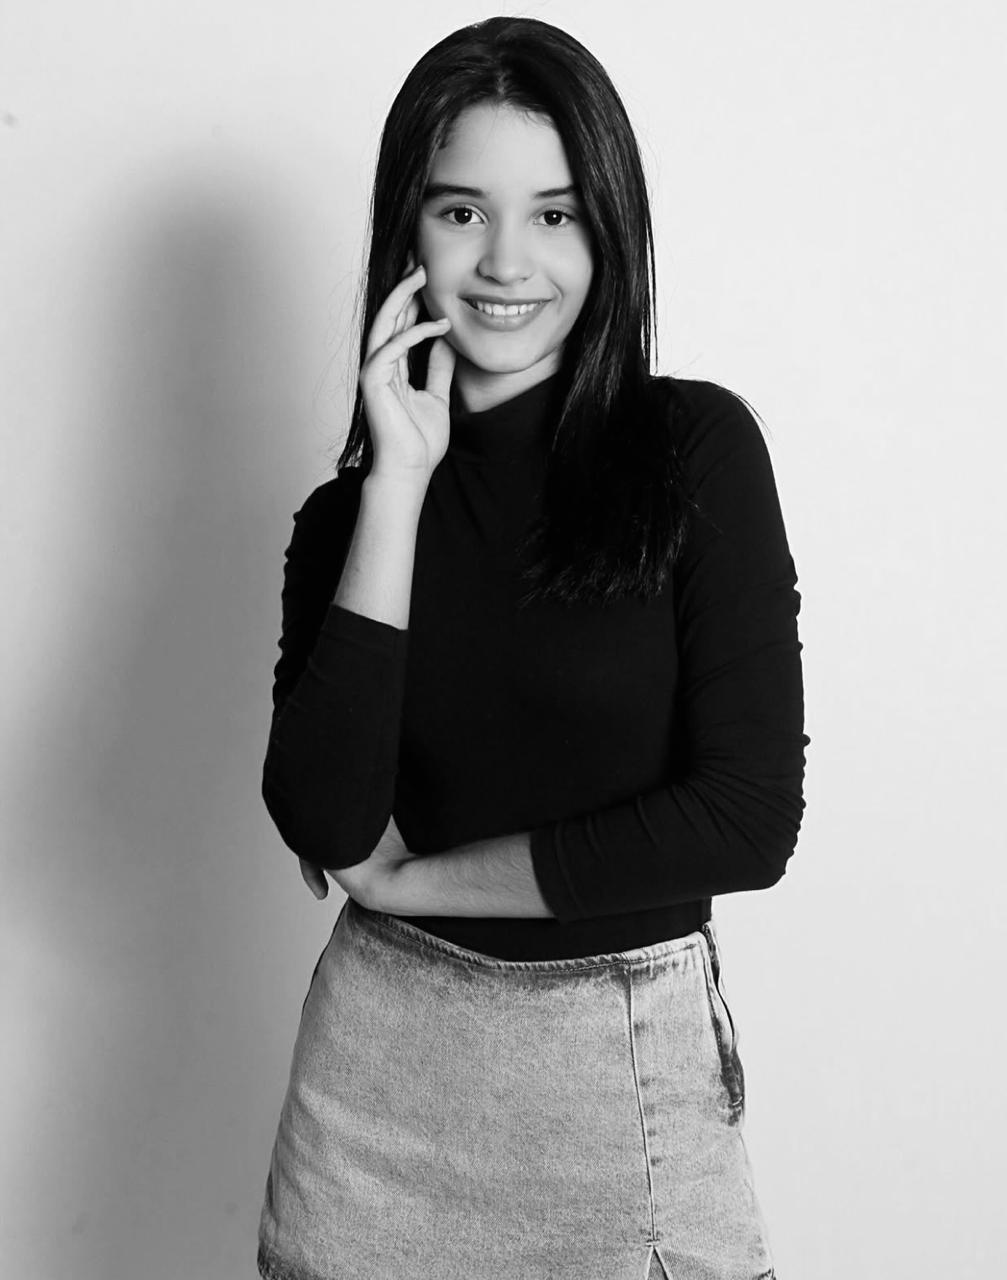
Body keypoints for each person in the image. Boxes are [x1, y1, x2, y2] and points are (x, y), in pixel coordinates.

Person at [256, 15, 808, 1280]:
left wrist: (415, 884)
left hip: (623, 1082)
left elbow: (743, 819)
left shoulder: (694, 455)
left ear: (607, 233)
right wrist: (396, 486)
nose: (507, 260)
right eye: (461, 211)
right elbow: (325, 815)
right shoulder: (347, 521)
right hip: (374, 1095)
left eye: (553, 214)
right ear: (408, 232)